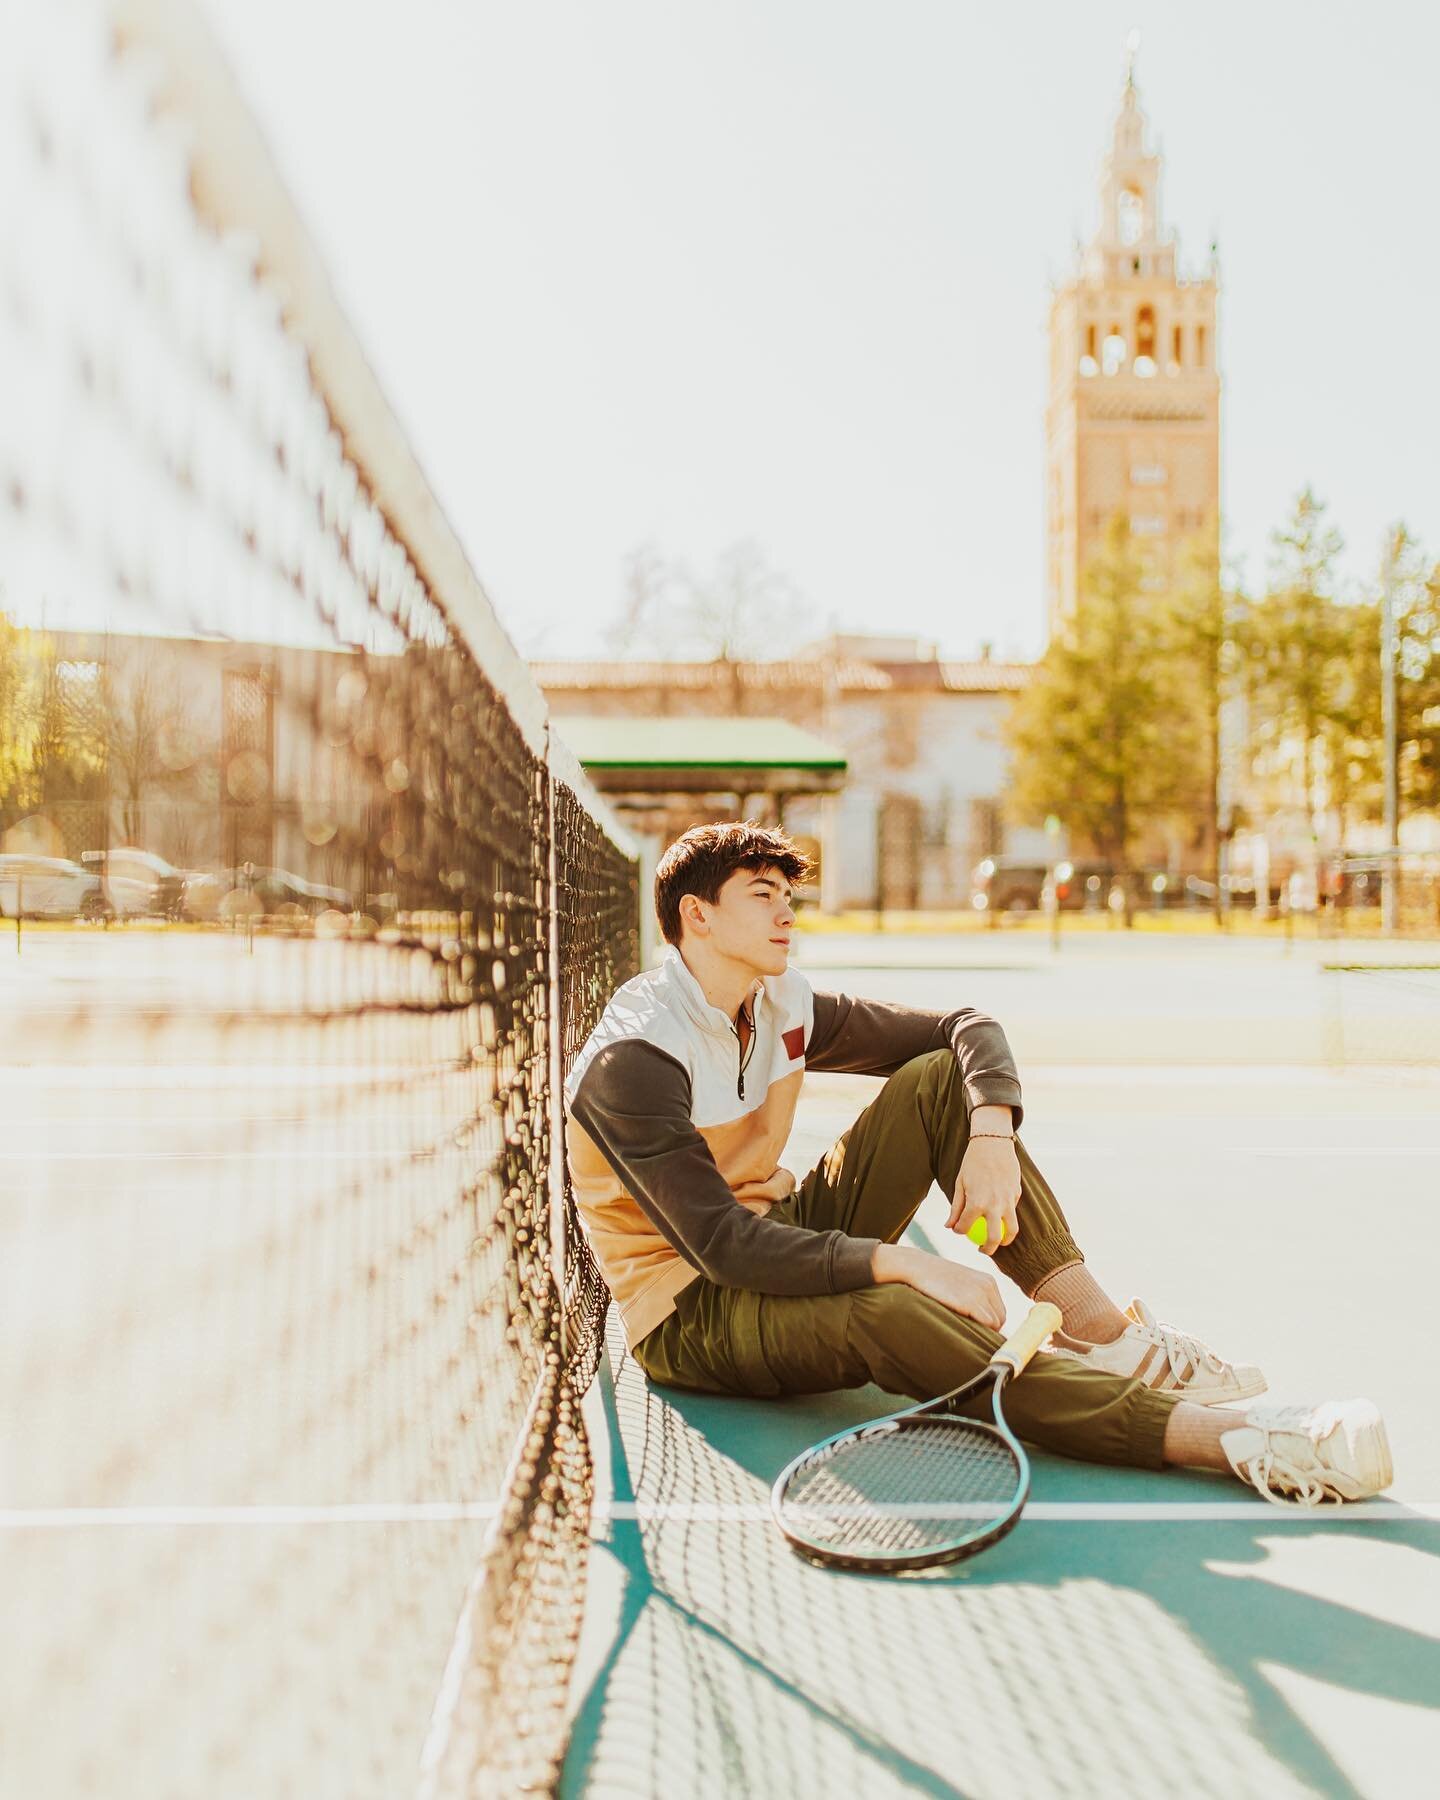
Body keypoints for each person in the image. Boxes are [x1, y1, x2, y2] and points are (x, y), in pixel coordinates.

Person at [564, 822, 1392, 1507]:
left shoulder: (778, 1002)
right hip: (692, 1310)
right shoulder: (633, 1058)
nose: (787, 915)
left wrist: (990, 1136)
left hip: (773, 1229)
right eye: (762, 896)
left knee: (936, 1085)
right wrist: (906, 1268)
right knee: (885, 1309)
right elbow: (724, 1249)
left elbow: (965, 1026)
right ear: (696, 917)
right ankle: (1236, 1444)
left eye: (790, 897)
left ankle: (1104, 1336)